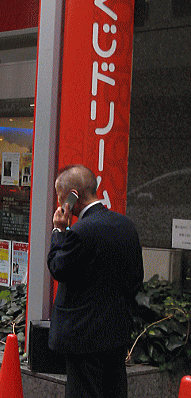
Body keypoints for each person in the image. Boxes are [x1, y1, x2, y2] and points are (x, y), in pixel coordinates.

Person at [47, 165, 143, 398]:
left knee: (84, 392)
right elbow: (136, 278)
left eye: (61, 197)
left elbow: (58, 267)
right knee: (114, 391)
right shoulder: (126, 226)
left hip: (83, 335)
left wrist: (59, 231)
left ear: (73, 196)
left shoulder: (80, 232)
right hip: (116, 332)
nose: (60, 204)